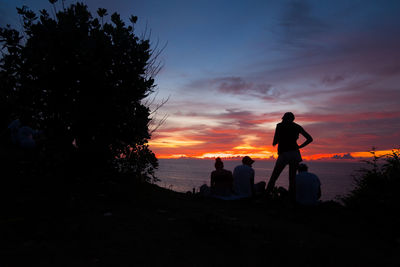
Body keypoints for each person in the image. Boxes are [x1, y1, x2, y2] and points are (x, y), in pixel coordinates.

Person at [266, 112, 313, 202]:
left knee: (274, 176)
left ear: (284, 118)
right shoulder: (297, 126)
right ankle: (291, 199)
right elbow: (310, 139)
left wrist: (277, 141)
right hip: (295, 153)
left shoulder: (279, 126)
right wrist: (299, 146)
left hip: (284, 153)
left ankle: (266, 196)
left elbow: (274, 142)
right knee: (292, 179)